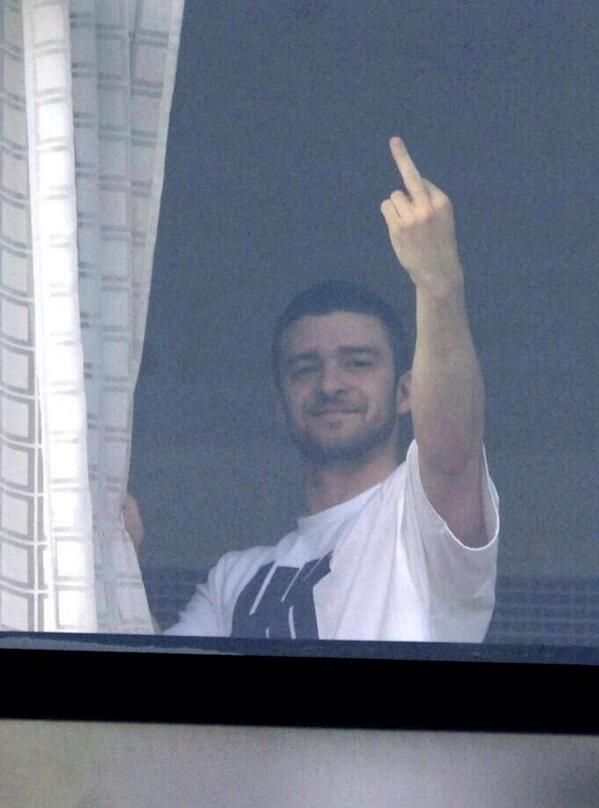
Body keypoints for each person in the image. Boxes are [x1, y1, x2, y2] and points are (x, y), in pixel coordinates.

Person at [129, 136, 499, 641]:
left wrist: (439, 283)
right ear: (280, 406)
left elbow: (453, 450)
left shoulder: (418, 523)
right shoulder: (233, 580)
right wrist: (117, 562)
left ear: (406, 392)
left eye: (358, 362)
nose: (330, 384)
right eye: (305, 368)